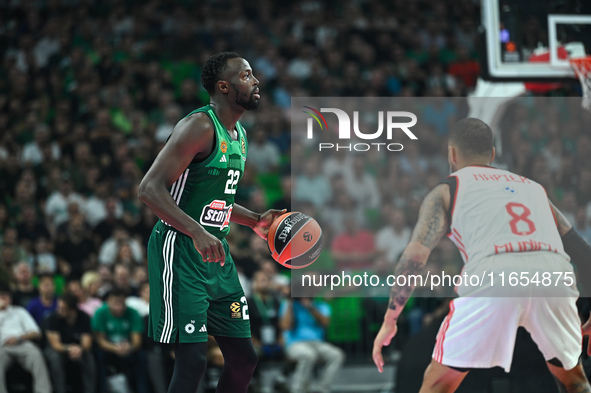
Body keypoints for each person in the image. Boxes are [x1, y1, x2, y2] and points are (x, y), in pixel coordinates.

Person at [372, 118, 591, 393]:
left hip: (496, 275)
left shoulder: (447, 189)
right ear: (493, 154)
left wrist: (390, 321)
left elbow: (414, 256)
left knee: (437, 385)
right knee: (575, 382)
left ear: (451, 153)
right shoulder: (533, 188)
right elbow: (583, 253)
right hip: (554, 274)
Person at [138, 51, 285, 393]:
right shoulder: (199, 126)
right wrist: (196, 232)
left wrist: (255, 220)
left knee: (244, 359)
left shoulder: (239, 135)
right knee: (193, 361)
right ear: (224, 86)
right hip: (180, 249)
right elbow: (149, 189)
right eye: (247, 76)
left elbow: (216, 202)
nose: (256, 80)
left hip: (215, 256)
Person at [279, 293, 345, 393]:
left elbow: (325, 323)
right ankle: (297, 390)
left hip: (317, 343)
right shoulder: (288, 304)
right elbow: (285, 326)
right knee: (308, 355)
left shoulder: (321, 305)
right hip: (294, 343)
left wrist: (310, 307)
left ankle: (323, 389)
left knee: (337, 355)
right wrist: (290, 303)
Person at [92, 288, 147, 393]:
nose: (119, 307)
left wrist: (129, 347)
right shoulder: (100, 313)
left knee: (141, 356)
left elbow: (137, 340)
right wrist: (115, 348)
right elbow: (100, 340)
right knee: (99, 356)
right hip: (108, 348)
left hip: (128, 347)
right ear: (108, 302)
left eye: (121, 303)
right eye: (115, 303)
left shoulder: (133, 313)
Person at [0, 282, 51, 393]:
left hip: (22, 343)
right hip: (2, 347)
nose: (4, 299)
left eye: (6, 296)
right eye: (1, 296)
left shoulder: (19, 311)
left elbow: (36, 333)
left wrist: (19, 338)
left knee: (36, 355)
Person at [44, 292, 95, 393]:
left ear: (72, 311)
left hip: (78, 349)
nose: (59, 310)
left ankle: (90, 390)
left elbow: (87, 343)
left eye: (63, 308)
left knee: (88, 357)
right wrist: (69, 349)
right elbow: (55, 344)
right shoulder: (52, 318)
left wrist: (80, 349)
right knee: (56, 358)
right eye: (59, 307)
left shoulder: (84, 317)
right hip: (57, 349)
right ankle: (60, 390)